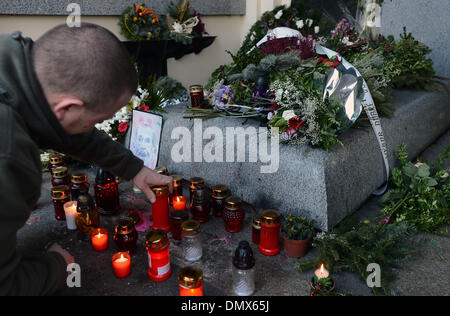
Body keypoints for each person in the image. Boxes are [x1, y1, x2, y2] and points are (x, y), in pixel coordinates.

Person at [0, 23, 173, 295]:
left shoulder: (19, 66)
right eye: (97, 121)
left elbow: (66, 128)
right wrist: (56, 266)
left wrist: (134, 169)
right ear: (68, 107)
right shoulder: (8, 155)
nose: (94, 127)